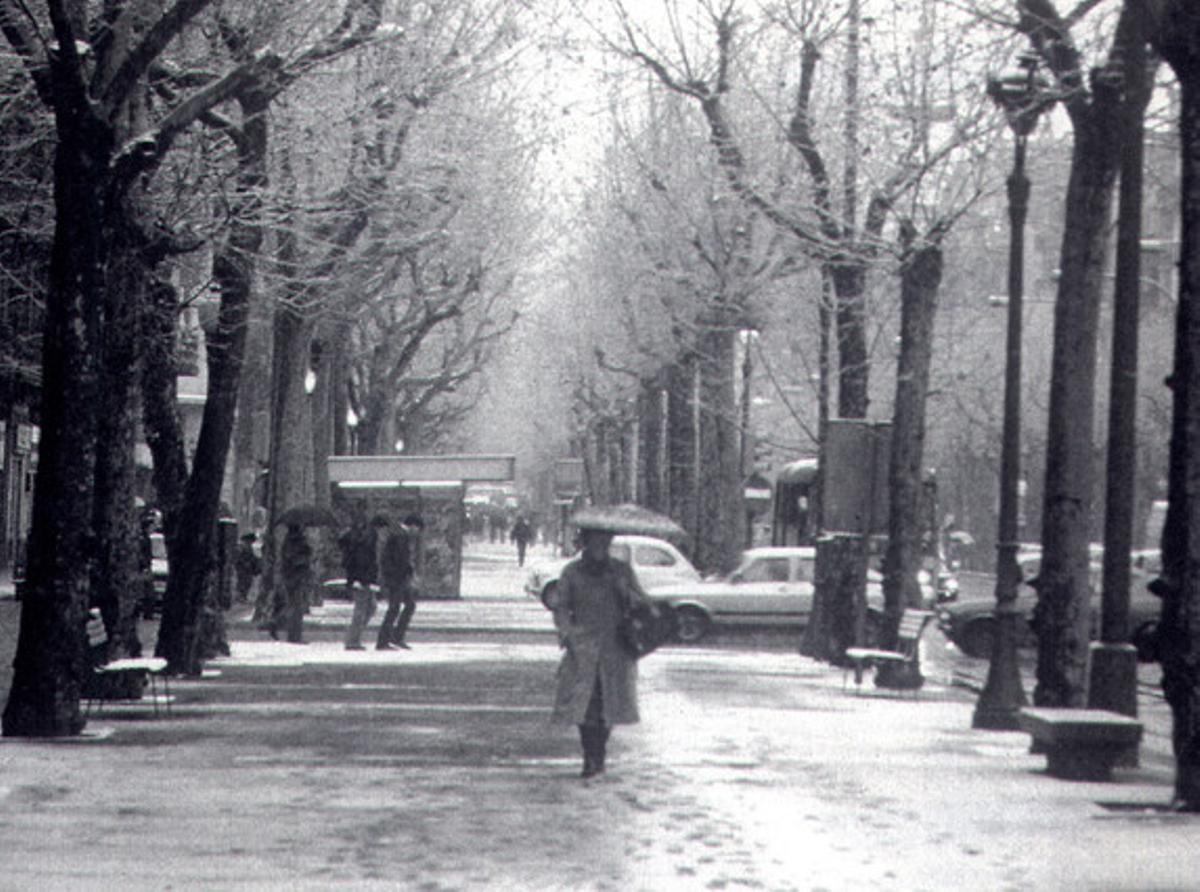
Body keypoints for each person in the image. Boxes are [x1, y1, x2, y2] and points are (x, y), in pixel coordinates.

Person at [551, 526, 657, 778]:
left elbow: (643, 604)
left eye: (605, 541)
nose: (601, 546)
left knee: (610, 706)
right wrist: (567, 633)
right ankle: (591, 756)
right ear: (585, 543)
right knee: (585, 706)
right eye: (595, 541)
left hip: (616, 648)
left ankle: (599, 754)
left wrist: (626, 592)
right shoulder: (572, 572)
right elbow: (561, 606)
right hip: (583, 648)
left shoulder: (621, 571)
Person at [376, 514, 423, 650]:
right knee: (395, 608)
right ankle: (384, 640)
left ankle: (395, 637)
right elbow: (400, 560)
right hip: (397, 579)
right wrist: (410, 573)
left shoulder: (399, 535)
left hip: (398, 578)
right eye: (418, 529)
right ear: (413, 525)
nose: (417, 533)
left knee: (408, 606)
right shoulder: (401, 536)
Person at [339, 504, 380, 650]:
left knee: (367, 607)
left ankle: (353, 637)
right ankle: (352, 639)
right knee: (363, 608)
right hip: (362, 577)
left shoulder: (353, 536)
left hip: (359, 576)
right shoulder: (363, 539)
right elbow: (364, 560)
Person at [275, 524, 313, 644]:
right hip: (295, 577)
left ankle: (293, 633)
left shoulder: (290, 542)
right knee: (296, 607)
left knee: (294, 606)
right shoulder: (295, 542)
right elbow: (294, 559)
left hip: (292, 577)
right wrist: (305, 552)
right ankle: (294, 635)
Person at [235, 533, 262, 604]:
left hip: (247, 570)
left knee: (247, 583)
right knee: (243, 583)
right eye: (249, 541)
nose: (250, 543)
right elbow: (239, 559)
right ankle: (240, 597)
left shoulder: (249, 548)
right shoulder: (241, 548)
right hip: (243, 569)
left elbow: (251, 557)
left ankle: (242, 596)